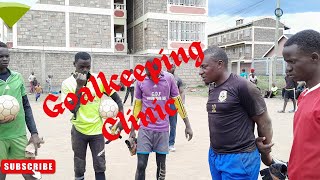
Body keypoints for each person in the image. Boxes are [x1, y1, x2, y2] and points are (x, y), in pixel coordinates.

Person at [199, 46, 273, 179]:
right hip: (215, 155)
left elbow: (264, 121)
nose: (200, 72)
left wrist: (266, 154)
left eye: (204, 67)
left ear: (219, 64)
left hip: (240, 158)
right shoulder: (213, 87)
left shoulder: (243, 86)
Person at [61, 52, 124, 180]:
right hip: (79, 132)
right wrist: (79, 87)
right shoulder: (67, 84)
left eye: (88, 67)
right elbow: (72, 108)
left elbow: (117, 99)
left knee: (100, 166)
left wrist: (121, 120)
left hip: (97, 132)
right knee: (79, 167)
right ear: (74, 65)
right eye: (81, 67)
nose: (85, 70)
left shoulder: (99, 80)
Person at [129, 58, 193, 180]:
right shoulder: (141, 80)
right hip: (145, 129)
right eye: (147, 73)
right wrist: (132, 129)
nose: (149, 76)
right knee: (141, 165)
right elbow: (137, 106)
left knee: (161, 167)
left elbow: (178, 102)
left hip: (162, 130)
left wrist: (187, 125)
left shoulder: (169, 79)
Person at [0, 41, 43, 180]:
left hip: (18, 134)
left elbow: (26, 106)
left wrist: (34, 133)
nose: (5, 59)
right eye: (1, 56)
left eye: (7, 56)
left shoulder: (17, 77)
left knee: (30, 174)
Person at [282, 29, 320, 179]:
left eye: (292, 61)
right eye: (286, 62)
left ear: (314, 58)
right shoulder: (304, 94)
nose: (288, 68)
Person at [167, 63, 185, 152]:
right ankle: (163, 143)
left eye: (173, 66)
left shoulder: (178, 79)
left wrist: (182, 103)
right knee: (163, 125)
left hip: (174, 105)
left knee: (173, 125)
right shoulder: (162, 78)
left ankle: (171, 144)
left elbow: (181, 92)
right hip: (163, 104)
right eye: (170, 66)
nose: (172, 67)